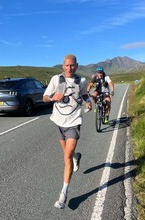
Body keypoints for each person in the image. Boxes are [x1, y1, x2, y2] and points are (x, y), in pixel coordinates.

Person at [43, 54, 92, 209]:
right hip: (58, 121)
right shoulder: (56, 79)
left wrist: (89, 102)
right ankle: (76, 156)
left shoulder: (82, 81)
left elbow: (85, 95)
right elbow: (44, 97)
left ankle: (63, 194)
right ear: (63, 66)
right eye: (67, 65)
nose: (69, 68)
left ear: (76, 66)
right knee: (68, 156)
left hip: (74, 121)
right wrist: (52, 97)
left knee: (66, 156)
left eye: (72, 65)